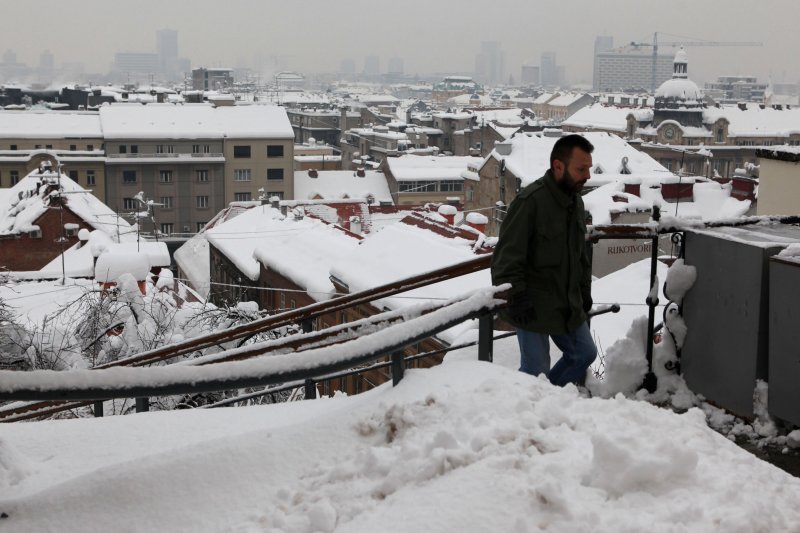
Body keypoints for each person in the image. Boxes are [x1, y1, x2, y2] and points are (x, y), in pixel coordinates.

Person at [491, 134, 597, 386]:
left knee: (584, 353)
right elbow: (506, 258)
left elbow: (579, 256)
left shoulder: (576, 203)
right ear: (558, 166)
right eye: (581, 169)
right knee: (535, 370)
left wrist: (583, 290)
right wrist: (517, 297)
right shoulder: (531, 203)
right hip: (532, 304)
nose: (588, 176)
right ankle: (528, 410)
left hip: (567, 303)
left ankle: (550, 398)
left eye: (589, 168)